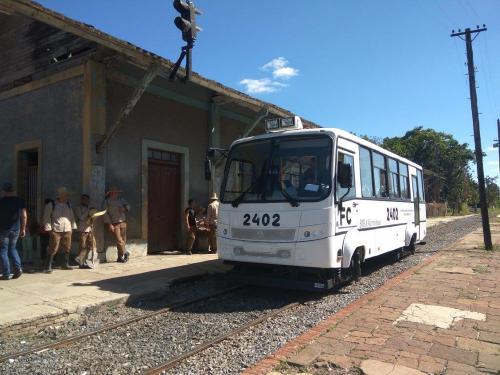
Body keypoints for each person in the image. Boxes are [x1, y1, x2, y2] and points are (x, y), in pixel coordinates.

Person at [42, 187, 76, 273]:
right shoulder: (52, 204)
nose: (67, 197)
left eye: (67, 196)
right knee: (53, 247)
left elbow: (71, 216)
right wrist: (49, 228)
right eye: (65, 196)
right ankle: (48, 266)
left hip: (67, 228)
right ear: (60, 196)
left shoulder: (68, 204)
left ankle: (65, 264)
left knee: (67, 247)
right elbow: (47, 216)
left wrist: (73, 226)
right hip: (56, 229)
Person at [0, 182, 26, 280]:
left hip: (3, 229)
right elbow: (24, 216)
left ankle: (6, 273)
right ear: (13, 190)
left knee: (3, 250)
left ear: (4, 191)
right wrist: (23, 228)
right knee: (13, 248)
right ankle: (18, 268)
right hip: (16, 228)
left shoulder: (1, 201)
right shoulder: (20, 201)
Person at [103, 187, 130, 263]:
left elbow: (128, 206)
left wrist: (125, 208)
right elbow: (105, 214)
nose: (116, 194)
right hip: (114, 223)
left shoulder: (121, 200)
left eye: (117, 192)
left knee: (123, 240)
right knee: (119, 240)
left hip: (123, 222)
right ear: (111, 193)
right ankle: (125, 252)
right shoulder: (107, 201)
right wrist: (109, 224)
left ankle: (120, 257)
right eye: (115, 192)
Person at [74, 194, 92, 268]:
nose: (86, 201)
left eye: (87, 200)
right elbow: (81, 217)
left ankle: (81, 258)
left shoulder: (89, 208)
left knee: (90, 245)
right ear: (81, 200)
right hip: (82, 229)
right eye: (84, 199)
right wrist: (88, 211)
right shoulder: (78, 208)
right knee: (82, 246)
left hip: (89, 229)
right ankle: (81, 262)